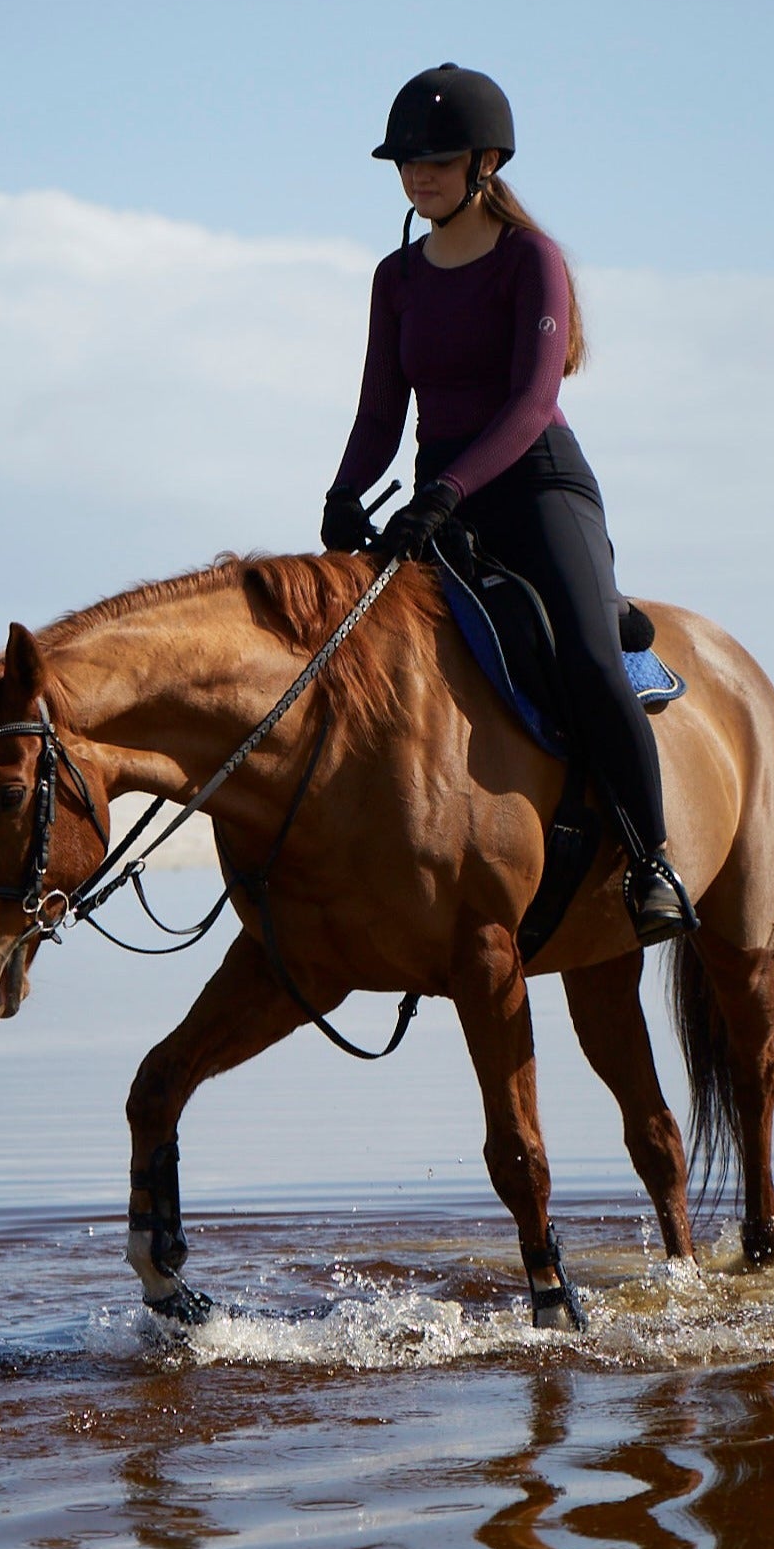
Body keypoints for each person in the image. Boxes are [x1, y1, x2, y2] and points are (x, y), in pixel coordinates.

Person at [321, 62, 697, 946]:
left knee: (590, 662)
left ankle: (652, 862)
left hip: (534, 485)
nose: (418, 175)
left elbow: (530, 403)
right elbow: (382, 409)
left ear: (484, 162)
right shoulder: (396, 277)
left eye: (437, 160)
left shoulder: (532, 260)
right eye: (406, 162)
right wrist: (344, 493)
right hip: (439, 501)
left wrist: (446, 491)